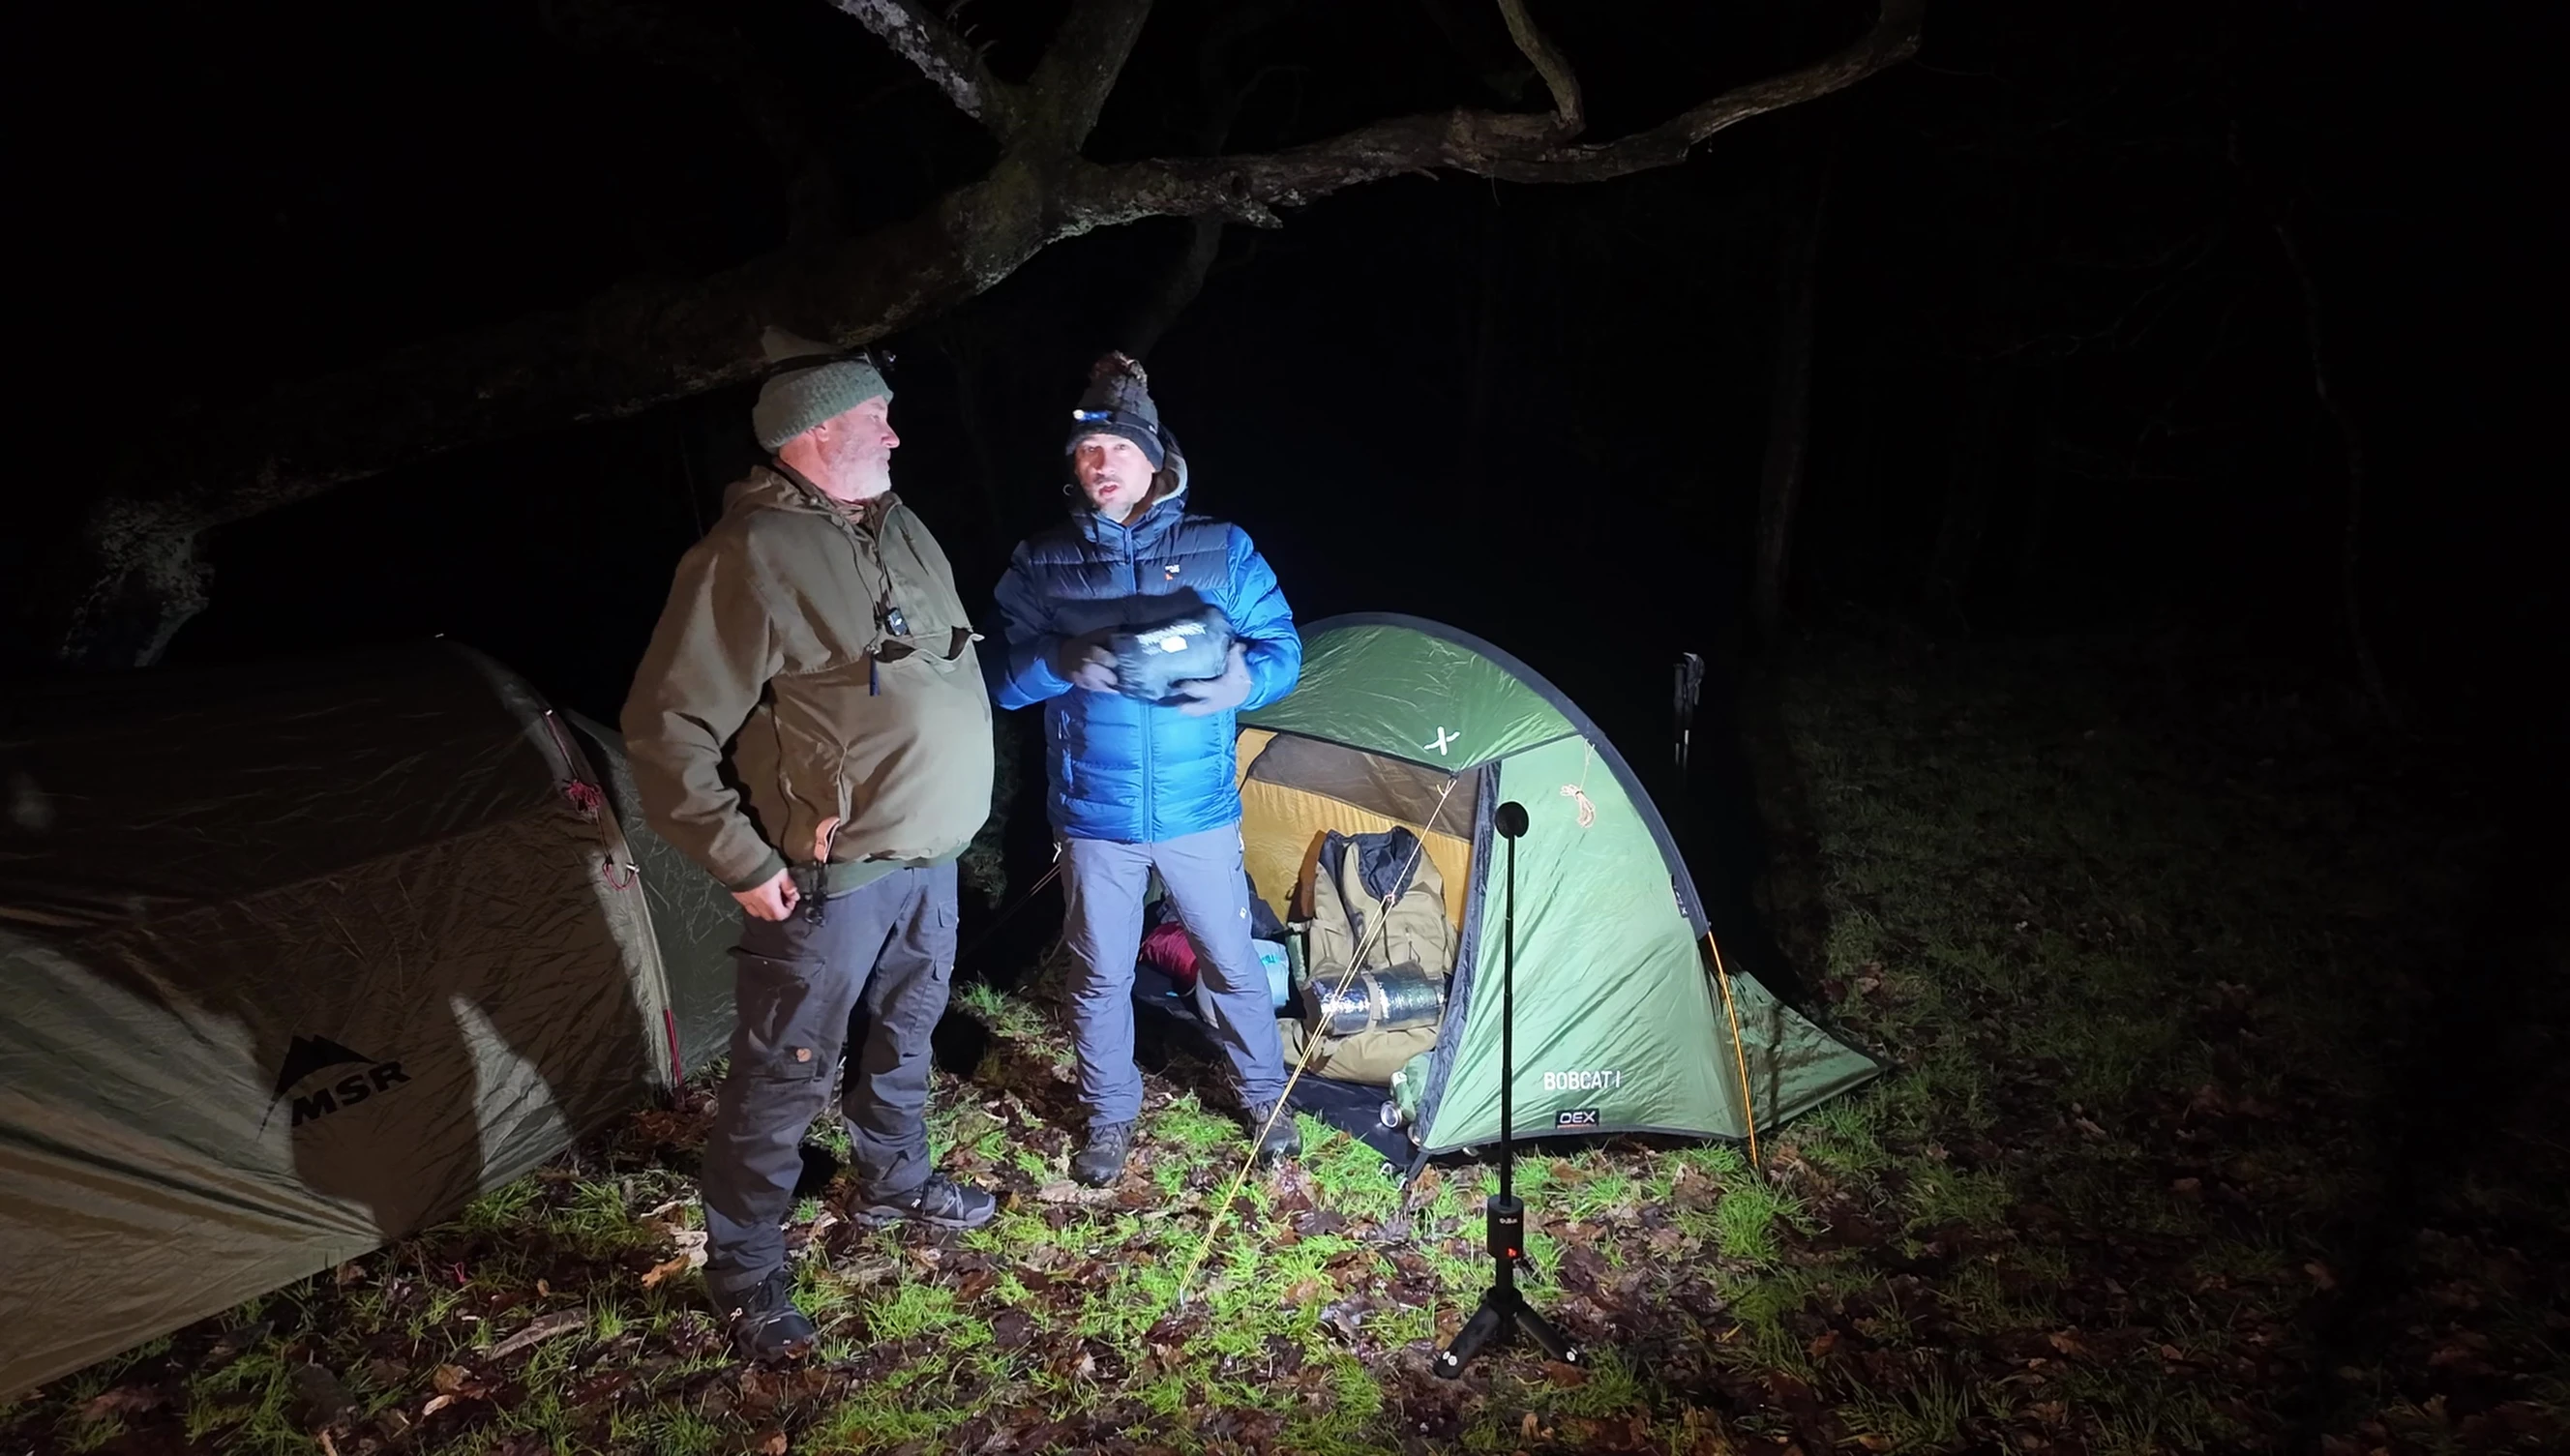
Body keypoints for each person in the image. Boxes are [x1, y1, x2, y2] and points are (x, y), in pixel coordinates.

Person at [622, 327, 997, 1363]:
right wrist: (742, 861)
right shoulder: (745, 557)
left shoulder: (900, 526)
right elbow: (667, 730)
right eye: (874, 414)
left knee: (906, 1031)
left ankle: (895, 1179)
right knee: (785, 1070)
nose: (894, 426)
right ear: (820, 432)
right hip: (830, 878)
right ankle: (742, 1266)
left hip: (930, 860)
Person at [988, 352, 1304, 1185]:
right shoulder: (1041, 562)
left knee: (1230, 960)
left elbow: (1283, 650)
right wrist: (1060, 658)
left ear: (1156, 459)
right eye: (1087, 452)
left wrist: (1244, 678)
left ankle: (1266, 1098)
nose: (1100, 464)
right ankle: (1107, 1115)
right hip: (1095, 814)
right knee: (1099, 973)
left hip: (1199, 808)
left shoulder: (1222, 548)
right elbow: (998, 680)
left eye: (1117, 450)